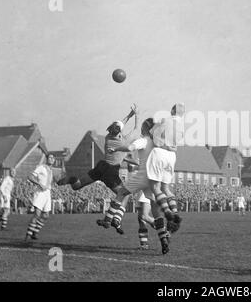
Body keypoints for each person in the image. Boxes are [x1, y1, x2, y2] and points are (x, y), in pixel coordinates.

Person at [58, 105, 137, 234]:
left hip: (101, 166)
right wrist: (136, 116)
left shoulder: (108, 138)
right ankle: (113, 219)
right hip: (111, 171)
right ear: (120, 132)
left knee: (77, 186)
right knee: (124, 194)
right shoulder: (123, 144)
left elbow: (121, 124)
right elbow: (135, 129)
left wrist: (129, 115)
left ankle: (73, 179)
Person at [99, 117, 170, 254]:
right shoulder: (158, 143)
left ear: (144, 129)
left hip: (142, 176)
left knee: (121, 193)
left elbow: (129, 147)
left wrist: (116, 149)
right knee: (156, 211)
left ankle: (109, 219)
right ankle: (163, 239)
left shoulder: (144, 140)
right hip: (154, 178)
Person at [146, 103, 185, 233]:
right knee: (166, 188)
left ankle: (167, 211)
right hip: (172, 156)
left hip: (160, 153)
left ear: (173, 110)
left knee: (155, 188)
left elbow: (152, 134)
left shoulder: (165, 120)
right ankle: (175, 212)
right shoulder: (182, 126)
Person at [25, 154, 55, 241]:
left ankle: (34, 231)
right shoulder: (41, 167)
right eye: (50, 157)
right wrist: (39, 184)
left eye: (53, 158)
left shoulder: (51, 170)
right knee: (37, 214)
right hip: (40, 192)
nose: (52, 159)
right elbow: (30, 176)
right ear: (47, 159)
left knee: (46, 215)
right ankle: (28, 235)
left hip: (47, 193)